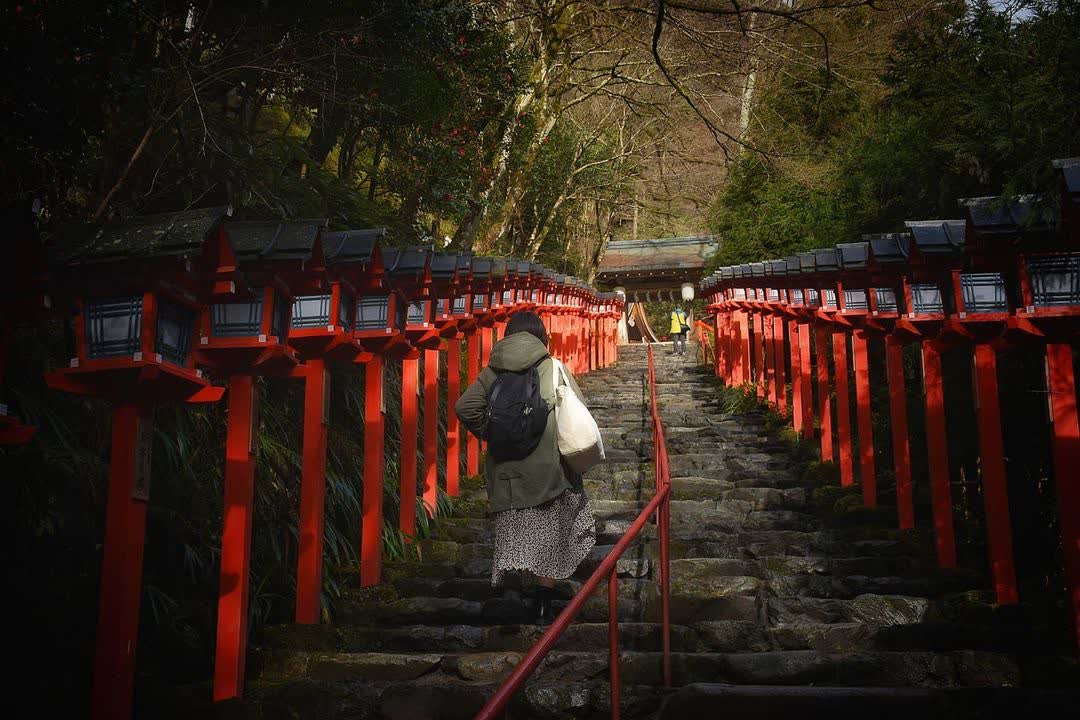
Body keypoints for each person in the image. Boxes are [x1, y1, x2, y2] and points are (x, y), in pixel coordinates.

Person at [454, 311, 596, 624]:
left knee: (513, 533)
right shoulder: (552, 367)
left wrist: (490, 431)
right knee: (547, 533)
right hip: (548, 472)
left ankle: (511, 598)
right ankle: (544, 604)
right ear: (541, 336)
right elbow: (578, 409)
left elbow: (465, 407)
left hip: (506, 471)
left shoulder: (493, 370)